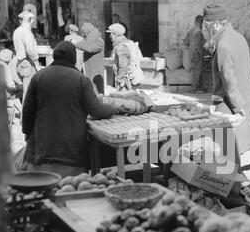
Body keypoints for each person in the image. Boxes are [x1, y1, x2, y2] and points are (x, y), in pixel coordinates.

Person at [21, 41, 152, 178]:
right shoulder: (80, 79)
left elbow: (27, 110)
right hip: (69, 154)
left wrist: (27, 133)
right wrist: (112, 108)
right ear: (72, 57)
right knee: (70, 188)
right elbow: (96, 110)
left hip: (40, 154)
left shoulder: (38, 77)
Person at [202, 4, 250, 182]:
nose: (206, 30)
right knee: (233, 148)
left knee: (225, 147)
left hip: (231, 102)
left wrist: (238, 105)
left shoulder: (223, 44)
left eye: (206, 26)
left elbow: (228, 78)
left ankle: (229, 186)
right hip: (244, 95)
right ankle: (234, 181)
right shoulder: (238, 37)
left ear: (214, 24)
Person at [107, 23, 144, 91]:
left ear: (116, 34)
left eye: (111, 34)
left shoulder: (121, 47)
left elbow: (123, 65)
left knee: (124, 100)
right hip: (133, 76)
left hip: (127, 80)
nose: (110, 36)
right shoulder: (129, 43)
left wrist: (119, 79)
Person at [12, 11, 40, 101]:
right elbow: (30, 50)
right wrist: (36, 63)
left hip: (20, 62)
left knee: (27, 91)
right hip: (27, 63)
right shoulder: (26, 32)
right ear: (30, 20)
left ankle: (26, 113)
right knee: (29, 93)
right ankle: (26, 114)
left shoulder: (17, 31)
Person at [75, 22, 105, 94]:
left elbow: (89, 48)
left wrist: (76, 43)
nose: (82, 35)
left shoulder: (99, 41)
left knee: (96, 92)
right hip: (88, 69)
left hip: (95, 72)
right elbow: (84, 45)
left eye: (84, 33)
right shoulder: (88, 41)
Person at [184, 15, 206, 93]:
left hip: (191, 53)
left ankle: (200, 88)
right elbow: (198, 46)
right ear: (201, 22)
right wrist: (202, 55)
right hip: (197, 53)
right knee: (197, 71)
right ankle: (194, 89)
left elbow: (185, 43)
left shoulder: (191, 31)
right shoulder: (199, 32)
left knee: (195, 71)